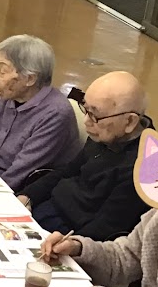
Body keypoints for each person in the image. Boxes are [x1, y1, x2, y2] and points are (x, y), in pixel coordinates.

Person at [19, 71, 150, 241]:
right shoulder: (106, 134)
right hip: (46, 208)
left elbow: (104, 230)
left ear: (130, 121)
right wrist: (28, 195)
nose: (86, 121)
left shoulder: (142, 168)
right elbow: (67, 171)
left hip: (67, 234)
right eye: (86, 109)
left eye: (95, 115)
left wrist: (71, 245)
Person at [0, 35, 82, 192]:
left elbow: (19, 175)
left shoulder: (55, 114)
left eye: (2, 71)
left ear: (29, 79)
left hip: (15, 190)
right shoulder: (9, 96)